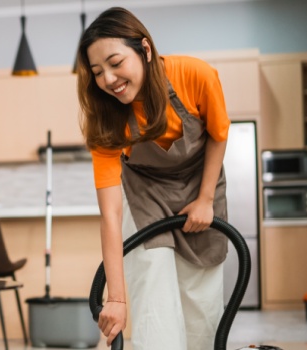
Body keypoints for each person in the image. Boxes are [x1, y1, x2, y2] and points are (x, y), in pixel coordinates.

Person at [76, 7, 230, 350]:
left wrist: (205, 199)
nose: (109, 79)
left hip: (200, 180)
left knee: (201, 297)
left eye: (116, 63)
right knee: (153, 288)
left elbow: (218, 135)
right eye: (98, 72)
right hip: (146, 192)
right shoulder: (105, 118)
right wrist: (115, 298)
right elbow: (111, 214)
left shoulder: (195, 74)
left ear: (145, 50)